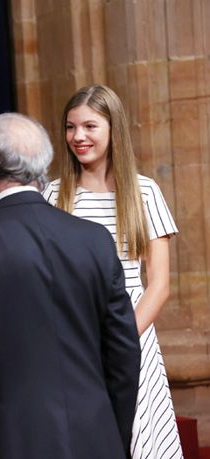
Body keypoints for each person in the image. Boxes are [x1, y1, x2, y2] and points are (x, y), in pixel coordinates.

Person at [0, 112, 141, 459]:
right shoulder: (95, 240)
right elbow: (124, 353)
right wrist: (112, 437)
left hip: (8, 445)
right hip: (96, 439)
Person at [42, 84, 182, 459]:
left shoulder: (144, 193)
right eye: (71, 128)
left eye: (89, 126)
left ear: (112, 128)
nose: (78, 137)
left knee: (139, 440)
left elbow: (159, 286)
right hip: (72, 339)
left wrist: (117, 339)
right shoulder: (53, 196)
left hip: (130, 333)